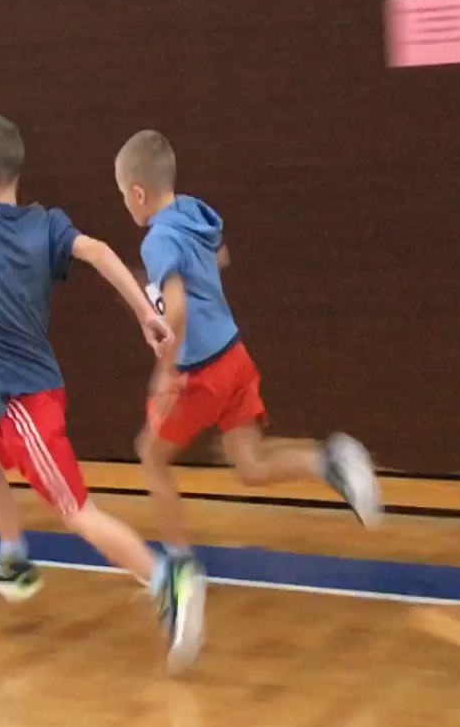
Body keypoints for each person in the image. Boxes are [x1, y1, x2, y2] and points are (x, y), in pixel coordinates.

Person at [0, 115, 205, 674]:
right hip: (21, 397)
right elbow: (98, 252)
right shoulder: (45, 224)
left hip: (24, 405)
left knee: (77, 512)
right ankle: (12, 558)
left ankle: (166, 580)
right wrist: (145, 315)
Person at [114, 128, 382, 569]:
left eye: (124, 194)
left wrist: (165, 373)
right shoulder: (192, 213)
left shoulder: (157, 239)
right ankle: (329, 461)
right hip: (234, 358)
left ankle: (180, 571)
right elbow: (219, 254)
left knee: (151, 457)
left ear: (138, 193)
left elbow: (176, 310)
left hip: (200, 371)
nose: (125, 203)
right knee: (250, 466)